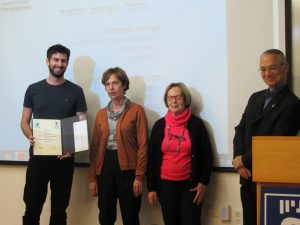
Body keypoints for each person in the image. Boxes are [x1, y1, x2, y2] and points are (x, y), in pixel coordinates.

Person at [21, 44, 87, 225]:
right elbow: (25, 122)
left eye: (63, 60)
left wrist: (71, 149)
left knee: (59, 212)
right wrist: (30, 135)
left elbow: (81, 125)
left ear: (67, 63)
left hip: (63, 161)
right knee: (32, 209)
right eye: (56, 60)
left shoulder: (76, 91)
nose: (59, 64)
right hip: (38, 160)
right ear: (47, 61)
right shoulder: (33, 89)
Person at [232, 49, 300, 225]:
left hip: (269, 182)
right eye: (262, 69)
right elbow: (240, 130)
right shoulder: (255, 97)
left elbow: (276, 144)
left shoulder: (293, 104)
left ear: (285, 67)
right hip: (247, 178)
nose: (267, 73)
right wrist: (237, 160)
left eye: (272, 68)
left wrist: (243, 160)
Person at [147, 82, 213, 225]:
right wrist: (151, 187)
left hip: (191, 186)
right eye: (170, 98)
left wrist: (203, 182)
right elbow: (151, 159)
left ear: (186, 99)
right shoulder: (159, 125)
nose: (174, 101)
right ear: (166, 101)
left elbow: (207, 156)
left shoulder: (197, 125)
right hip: (165, 186)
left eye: (178, 97)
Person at [88, 67, 148, 225]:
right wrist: (92, 178)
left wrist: (139, 176)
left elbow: (143, 145)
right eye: (108, 84)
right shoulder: (101, 114)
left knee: (130, 216)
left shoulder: (137, 111)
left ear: (124, 85)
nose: (111, 87)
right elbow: (94, 149)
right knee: (105, 216)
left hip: (128, 170)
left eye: (115, 83)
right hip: (105, 167)